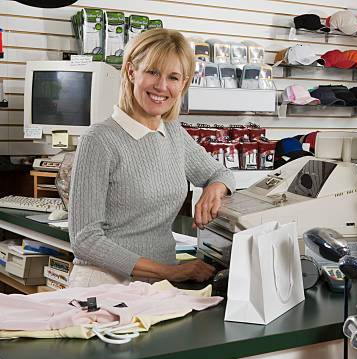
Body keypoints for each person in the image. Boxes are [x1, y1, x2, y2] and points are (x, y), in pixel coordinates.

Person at [68, 29, 235, 287]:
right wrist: (171, 272)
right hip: (106, 285)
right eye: (153, 72)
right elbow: (85, 240)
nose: (161, 86)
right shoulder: (99, 139)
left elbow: (220, 173)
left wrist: (215, 188)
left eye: (173, 77)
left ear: (184, 83)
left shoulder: (173, 134)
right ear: (131, 71)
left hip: (159, 287)